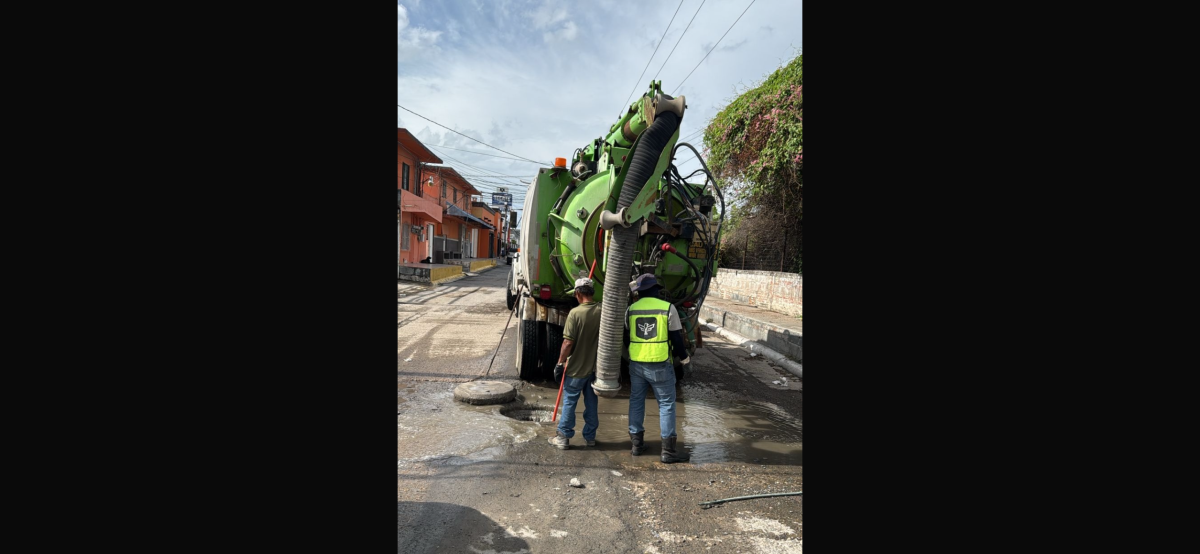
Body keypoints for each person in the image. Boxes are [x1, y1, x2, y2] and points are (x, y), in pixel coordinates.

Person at [625, 273, 692, 463]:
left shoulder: (631, 309)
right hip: (660, 364)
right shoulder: (667, 308)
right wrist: (685, 358)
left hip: (637, 364)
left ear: (640, 292)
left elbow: (627, 335)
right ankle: (668, 452)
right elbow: (677, 339)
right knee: (666, 404)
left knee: (636, 401)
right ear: (656, 290)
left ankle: (637, 445)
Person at [548, 277, 603, 450]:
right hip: (595, 370)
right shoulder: (602, 310)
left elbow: (568, 343)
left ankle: (563, 437)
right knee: (592, 403)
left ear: (578, 294)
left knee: (570, 402)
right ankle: (590, 437)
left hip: (576, 369)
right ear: (592, 293)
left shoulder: (575, 313)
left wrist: (559, 363)